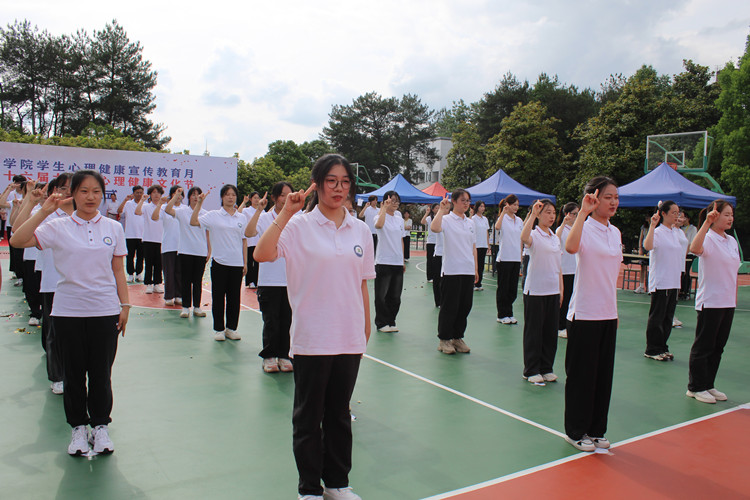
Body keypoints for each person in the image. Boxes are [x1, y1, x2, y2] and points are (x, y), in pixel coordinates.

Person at [254, 153, 374, 500]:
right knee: (308, 417)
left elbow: (362, 282)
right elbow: (262, 254)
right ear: (317, 184)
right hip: (312, 336)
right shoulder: (298, 226)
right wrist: (286, 213)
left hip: (348, 336)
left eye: (345, 182)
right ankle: (309, 488)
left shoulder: (360, 229)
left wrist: (364, 328)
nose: (339, 188)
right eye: (331, 181)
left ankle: (337, 484)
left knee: (339, 415)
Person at [11, 169, 130, 457]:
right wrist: (43, 210)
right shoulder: (58, 226)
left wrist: (125, 305)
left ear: (103, 195)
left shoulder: (113, 228)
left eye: (96, 191)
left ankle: (100, 426)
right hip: (68, 312)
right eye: (84, 191)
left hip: (104, 311)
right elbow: (17, 240)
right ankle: (78, 428)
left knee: (101, 374)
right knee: (74, 375)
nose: (91, 197)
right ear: (73, 194)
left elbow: (118, 270)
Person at [563, 176, 621, 453]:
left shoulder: (615, 232)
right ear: (594, 198)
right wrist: (583, 212)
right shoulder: (583, 227)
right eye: (608, 197)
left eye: (616, 198)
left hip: (607, 314)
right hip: (584, 314)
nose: (613, 202)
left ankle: (597, 430)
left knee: (602, 377)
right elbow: (570, 248)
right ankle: (575, 431)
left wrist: (614, 311)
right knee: (581, 377)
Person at [686, 200, 740, 404]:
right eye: (726, 214)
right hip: (710, 301)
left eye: (731, 214)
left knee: (718, 346)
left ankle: (708, 384)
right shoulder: (708, 238)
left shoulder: (731, 241)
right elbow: (694, 248)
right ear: (715, 216)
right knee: (704, 345)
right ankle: (695, 387)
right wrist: (707, 224)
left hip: (728, 302)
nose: (730, 218)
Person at [245, 183, 296, 373]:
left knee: (288, 320)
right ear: (274, 197)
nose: (286, 198)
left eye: (289, 195)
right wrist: (259, 210)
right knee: (271, 320)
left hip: (291, 280)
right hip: (269, 280)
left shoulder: (297, 219)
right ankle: (269, 356)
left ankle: (284, 355)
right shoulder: (265, 218)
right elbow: (249, 233)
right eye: (282, 195)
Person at [191, 184, 246, 341]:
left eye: (233, 194)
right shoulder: (213, 215)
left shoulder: (241, 218)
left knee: (234, 298)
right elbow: (194, 222)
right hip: (219, 263)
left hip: (237, 264)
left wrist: (245, 263)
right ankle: (219, 329)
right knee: (218, 297)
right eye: (227, 194)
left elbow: (244, 241)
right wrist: (199, 203)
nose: (230, 197)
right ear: (222, 197)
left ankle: (231, 328)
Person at [520, 199, 561, 385]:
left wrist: (561, 289)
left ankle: (546, 368)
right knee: (534, 332)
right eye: (547, 212)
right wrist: (533, 215)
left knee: (550, 332)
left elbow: (558, 266)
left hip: (552, 290)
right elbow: (523, 237)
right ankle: (531, 370)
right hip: (535, 291)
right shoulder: (534, 234)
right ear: (539, 215)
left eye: (553, 213)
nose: (551, 216)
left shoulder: (555, 237)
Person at [431, 189, 477, 355]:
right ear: (454, 202)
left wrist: (475, 269)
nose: (466, 203)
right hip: (451, 270)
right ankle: (444, 339)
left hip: (467, 270)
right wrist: (442, 210)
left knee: (465, 306)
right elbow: (434, 228)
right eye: (463, 200)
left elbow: (473, 246)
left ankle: (457, 337)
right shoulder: (447, 219)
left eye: (468, 201)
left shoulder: (470, 223)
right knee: (449, 307)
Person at [642, 201, 686, 361]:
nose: (677, 215)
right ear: (664, 214)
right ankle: (652, 349)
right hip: (661, 281)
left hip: (674, 281)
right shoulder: (658, 232)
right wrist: (652, 225)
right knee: (657, 317)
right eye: (673, 212)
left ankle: (662, 346)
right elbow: (647, 246)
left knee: (668, 318)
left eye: (678, 212)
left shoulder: (675, 232)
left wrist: (678, 225)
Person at [166, 187, 209, 318]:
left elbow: (207, 234)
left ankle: (197, 307)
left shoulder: (205, 213)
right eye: (193, 195)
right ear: (189, 197)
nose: (196, 197)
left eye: (198, 195)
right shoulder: (182, 211)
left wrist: (209, 250)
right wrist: (176, 195)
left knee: (197, 281)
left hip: (200, 251)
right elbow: (167, 210)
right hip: (185, 251)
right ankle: (185, 307)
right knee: (185, 280)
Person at [373, 191, 405, 333]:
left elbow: (401, 240)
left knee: (395, 296)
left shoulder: (399, 219)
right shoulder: (379, 216)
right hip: (383, 261)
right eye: (392, 200)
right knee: (381, 295)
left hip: (397, 262)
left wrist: (402, 260)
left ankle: (391, 321)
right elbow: (379, 226)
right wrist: (384, 209)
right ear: (385, 202)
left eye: (397, 200)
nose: (395, 203)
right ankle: (381, 323)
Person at [495, 194, 523, 324]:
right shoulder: (503, 218)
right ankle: (501, 315)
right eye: (514, 205)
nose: (516, 207)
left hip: (515, 258)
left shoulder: (519, 220)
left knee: (512, 289)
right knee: (503, 288)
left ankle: (509, 313)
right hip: (504, 258)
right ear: (508, 205)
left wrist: (520, 256)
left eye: (517, 205)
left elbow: (521, 239)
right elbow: (497, 227)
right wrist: (503, 213)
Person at [153, 185, 183, 306]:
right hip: (168, 245)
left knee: (180, 272)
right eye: (175, 193)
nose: (178, 196)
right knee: (169, 272)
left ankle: (179, 295)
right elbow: (154, 217)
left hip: (182, 246)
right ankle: (169, 296)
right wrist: (160, 203)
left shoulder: (185, 209)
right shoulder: (164, 208)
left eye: (180, 193)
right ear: (171, 195)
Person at [556, 202, 579, 338]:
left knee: (572, 299)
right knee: (564, 300)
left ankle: (569, 324)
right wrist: (564, 224)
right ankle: (560, 326)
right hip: (564, 270)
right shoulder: (561, 229)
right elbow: (556, 239)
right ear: (567, 214)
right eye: (575, 214)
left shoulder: (576, 229)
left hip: (575, 270)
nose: (576, 216)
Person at [136, 185, 165, 294]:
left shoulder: (164, 207)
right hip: (148, 239)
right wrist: (142, 200)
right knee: (149, 263)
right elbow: (137, 212)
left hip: (161, 239)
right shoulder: (146, 206)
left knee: (159, 263)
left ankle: (157, 284)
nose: (156, 195)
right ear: (150, 195)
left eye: (158, 192)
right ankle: (148, 284)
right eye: (154, 192)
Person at [118, 185, 145, 282]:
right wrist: (125, 200)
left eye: (141, 192)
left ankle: (138, 274)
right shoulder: (128, 204)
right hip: (130, 235)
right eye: (137, 192)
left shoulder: (145, 205)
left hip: (142, 235)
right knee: (130, 256)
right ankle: (130, 274)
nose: (139, 194)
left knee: (140, 256)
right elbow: (119, 211)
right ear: (133, 193)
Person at [240, 191, 261, 288]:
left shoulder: (261, 211)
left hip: (258, 240)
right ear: (251, 199)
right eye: (255, 198)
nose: (256, 200)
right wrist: (244, 202)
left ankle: (257, 281)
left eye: (258, 198)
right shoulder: (246, 210)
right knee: (250, 262)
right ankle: (250, 281)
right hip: (249, 240)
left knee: (258, 262)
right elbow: (238, 213)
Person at [679, 210, 698, 300]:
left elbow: (691, 243)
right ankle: (679, 290)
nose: (683, 220)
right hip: (680, 254)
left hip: (689, 254)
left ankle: (685, 292)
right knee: (680, 272)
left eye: (684, 218)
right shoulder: (680, 229)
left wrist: (684, 254)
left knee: (686, 272)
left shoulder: (692, 229)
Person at [472, 201, 490, 291]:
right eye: (481, 206)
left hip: (483, 245)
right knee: (476, 264)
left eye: (483, 206)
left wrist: (488, 244)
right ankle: (474, 283)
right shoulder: (473, 218)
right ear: (477, 207)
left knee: (481, 265)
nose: (483, 208)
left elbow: (486, 232)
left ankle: (479, 283)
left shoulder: (485, 219)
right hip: (476, 245)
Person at [421, 203, 439, 283]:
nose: (438, 210)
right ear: (433, 209)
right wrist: (426, 213)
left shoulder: (442, 218)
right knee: (430, 260)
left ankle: (436, 276)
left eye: (439, 208)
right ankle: (429, 277)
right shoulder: (429, 218)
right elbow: (422, 222)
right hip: (431, 242)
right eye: (436, 208)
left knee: (437, 260)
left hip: (439, 242)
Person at [635, 214, 650, 294]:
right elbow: (641, 238)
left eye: (648, 217)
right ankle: (641, 286)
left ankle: (650, 287)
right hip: (644, 248)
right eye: (646, 217)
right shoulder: (644, 227)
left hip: (651, 249)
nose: (646, 218)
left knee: (651, 268)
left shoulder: (655, 227)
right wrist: (640, 248)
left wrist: (651, 251)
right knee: (642, 267)